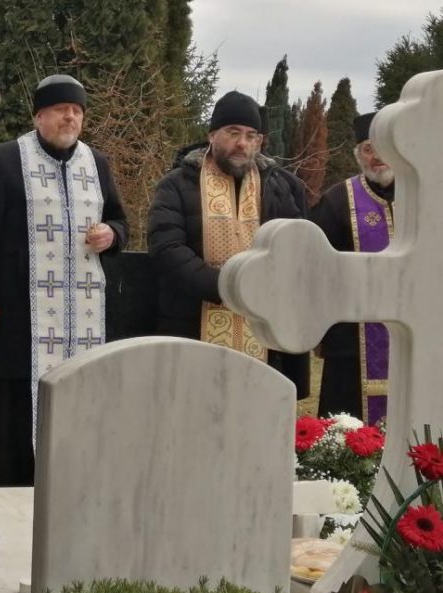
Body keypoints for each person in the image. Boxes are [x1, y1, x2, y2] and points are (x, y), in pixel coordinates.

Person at [0, 74, 128, 486]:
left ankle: (75, 487)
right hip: (21, 317)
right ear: (39, 116)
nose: (70, 118)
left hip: (82, 320)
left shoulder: (96, 163)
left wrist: (112, 235)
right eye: (61, 110)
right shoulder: (8, 159)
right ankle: (14, 492)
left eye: (77, 111)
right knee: (17, 411)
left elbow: (119, 221)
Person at [147, 90, 310, 398]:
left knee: (257, 411)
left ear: (259, 141)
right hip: (191, 326)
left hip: (263, 331)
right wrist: (228, 286)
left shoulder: (281, 186)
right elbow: (166, 248)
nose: (242, 143)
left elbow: (298, 249)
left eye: (251, 136)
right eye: (233, 133)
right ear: (212, 135)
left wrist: (267, 283)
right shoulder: (176, 184)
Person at [312, 112, 394, 422]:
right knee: (346, 430)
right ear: (358, 154)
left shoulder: (422, 199)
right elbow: (318, 270)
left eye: (384, 147)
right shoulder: (337, 201)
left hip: (411, 338)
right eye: (368, 149)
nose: (377, 156)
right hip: (350, 341)